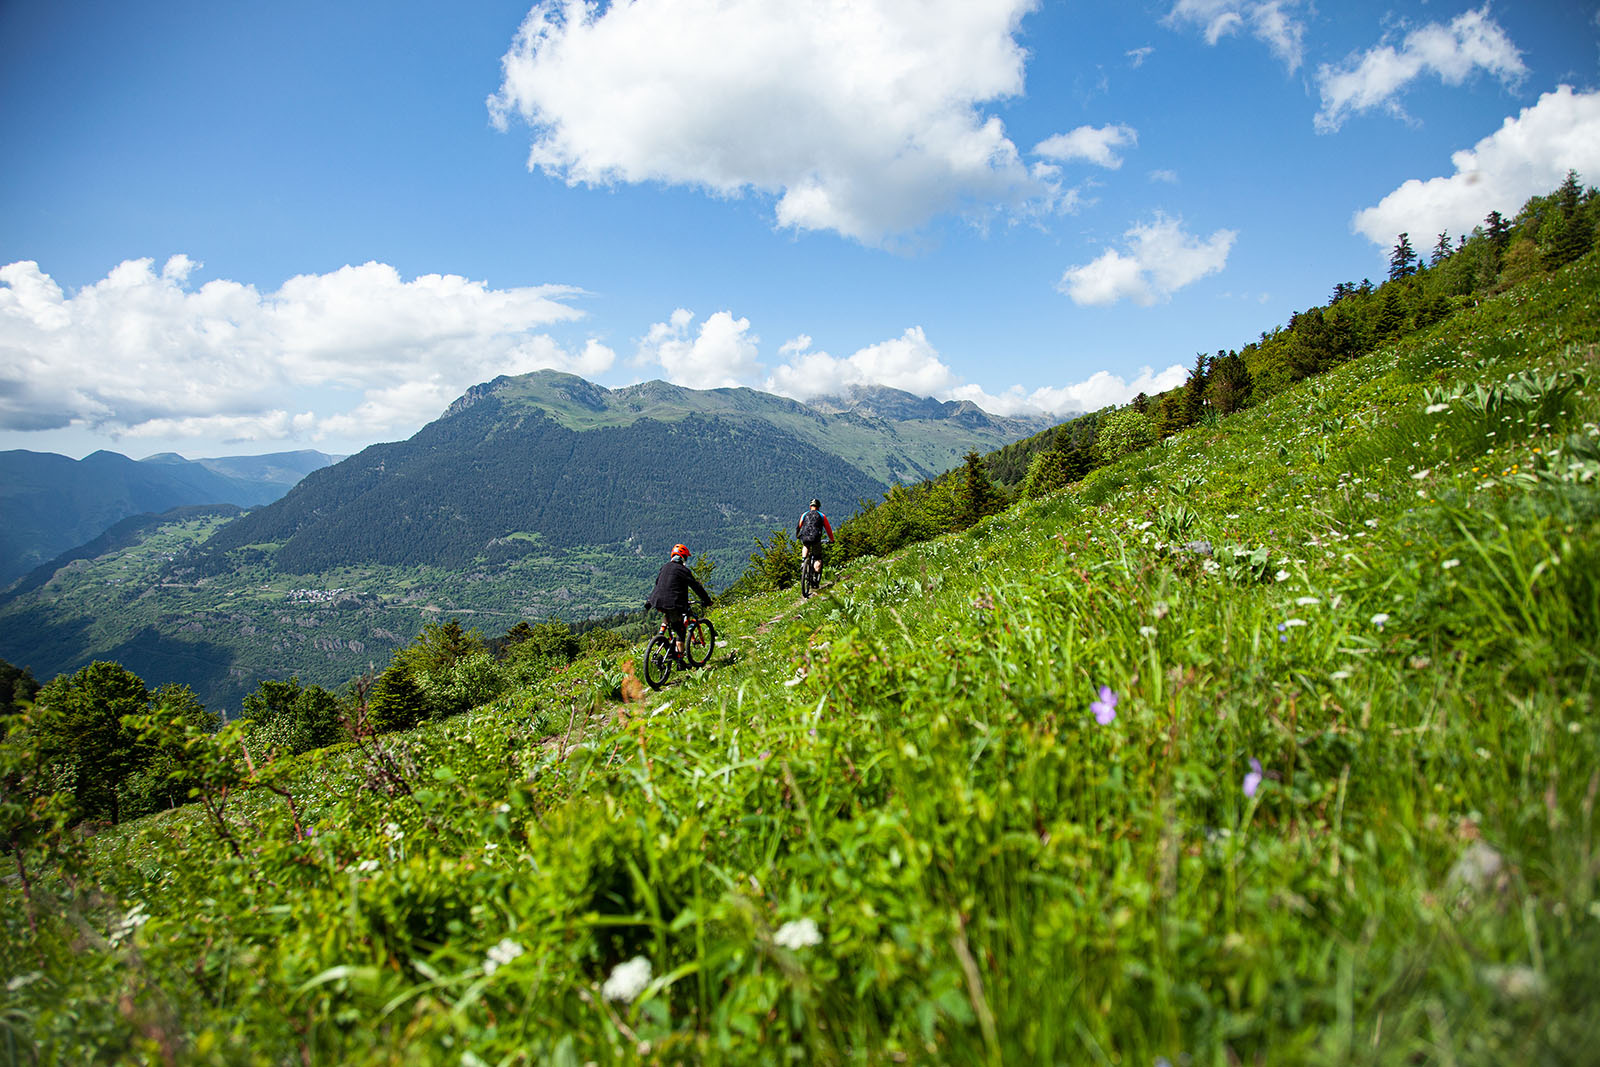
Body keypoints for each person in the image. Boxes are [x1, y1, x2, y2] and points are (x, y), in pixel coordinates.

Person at [645, 543, 711, 659]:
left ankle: (661, 635)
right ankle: (680, 661)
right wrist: (706, 600)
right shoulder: (683, 570)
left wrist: (649, 601)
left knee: (668, 614)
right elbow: (696, 586)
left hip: (657, 600)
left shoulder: (664, 567)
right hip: (673, 602)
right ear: (683, 557)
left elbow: (658, 584)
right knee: (680, 629)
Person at [795, 498, 834, 581]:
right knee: (817, 557)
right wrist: (832, 540)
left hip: (805, 536)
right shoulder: (822, 516)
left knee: (805, 545)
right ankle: (815, 577)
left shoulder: (804, 514)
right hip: (816, 537)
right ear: (818, 507)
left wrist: (797, 535)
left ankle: (803, 560)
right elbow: (828, 529)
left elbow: (799, 526)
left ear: (810, 506)